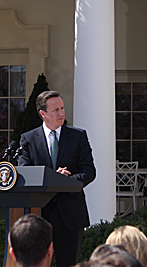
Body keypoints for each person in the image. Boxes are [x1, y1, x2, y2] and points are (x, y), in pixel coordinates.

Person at [18, 91, 96, 267]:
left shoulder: (78, 136)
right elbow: (24, 173)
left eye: (62, 108)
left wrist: (66, 181)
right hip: (39, 213)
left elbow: (89, 171)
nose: (61, 113)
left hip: (71, 214)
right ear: (42, 114)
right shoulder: (28, 139)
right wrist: (52, 178)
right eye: (55, 110)